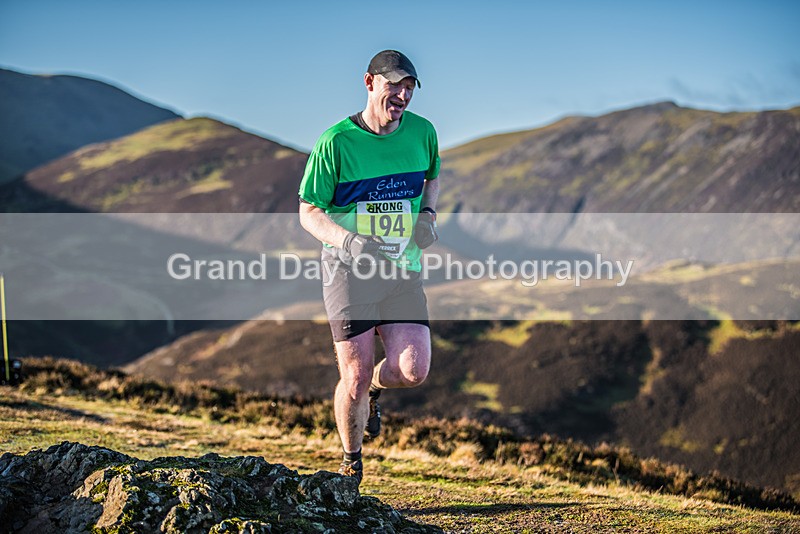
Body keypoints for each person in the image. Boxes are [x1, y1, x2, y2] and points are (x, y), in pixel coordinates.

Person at [297, 50, 440, 486]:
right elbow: (308, 212)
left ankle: (377, 390)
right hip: (348, 272)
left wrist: (427, 215)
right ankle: (351, 461)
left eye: (409, 87)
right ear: (369, 82)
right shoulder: (336, 142)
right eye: (394, 85)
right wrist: (349, 240)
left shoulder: (423, 132)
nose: (402, 95)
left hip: (402, 269)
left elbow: (432, 176)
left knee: (412, 371)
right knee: (353, 377)